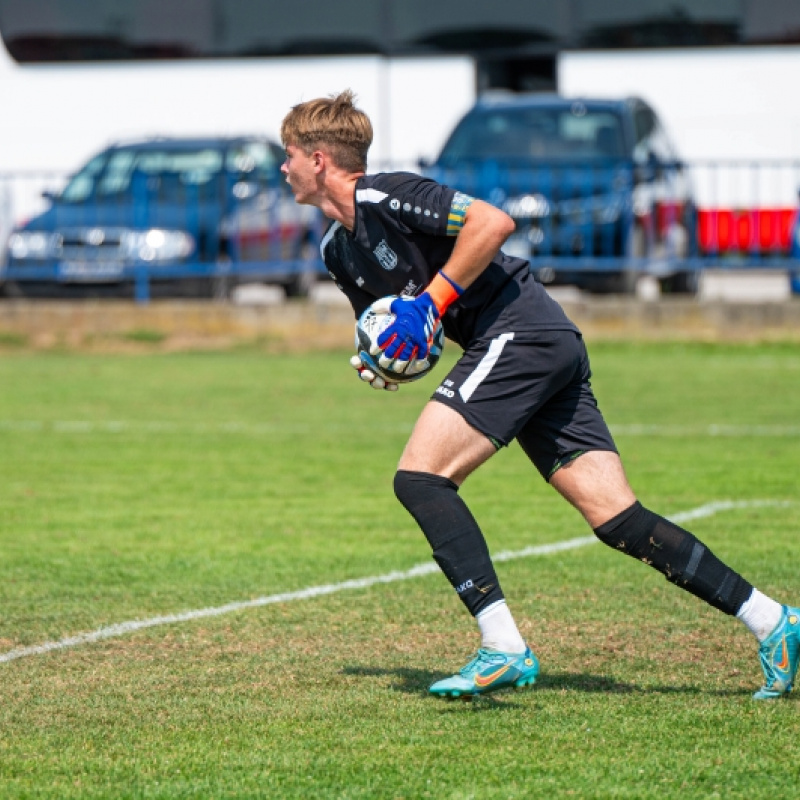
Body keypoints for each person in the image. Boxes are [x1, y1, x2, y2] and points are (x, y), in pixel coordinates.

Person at [279, 89, 799, 700]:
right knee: (617, 518)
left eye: (287, 154)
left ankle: (503, 646)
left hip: (520, 332)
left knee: (419, 479)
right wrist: (386, 365)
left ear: (318, 159)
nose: (281, 168)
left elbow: (492, 224)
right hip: (528, 345)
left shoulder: (383, 192)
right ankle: (774, 621)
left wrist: (431, 303)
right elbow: (394, 330)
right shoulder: (337, 251)